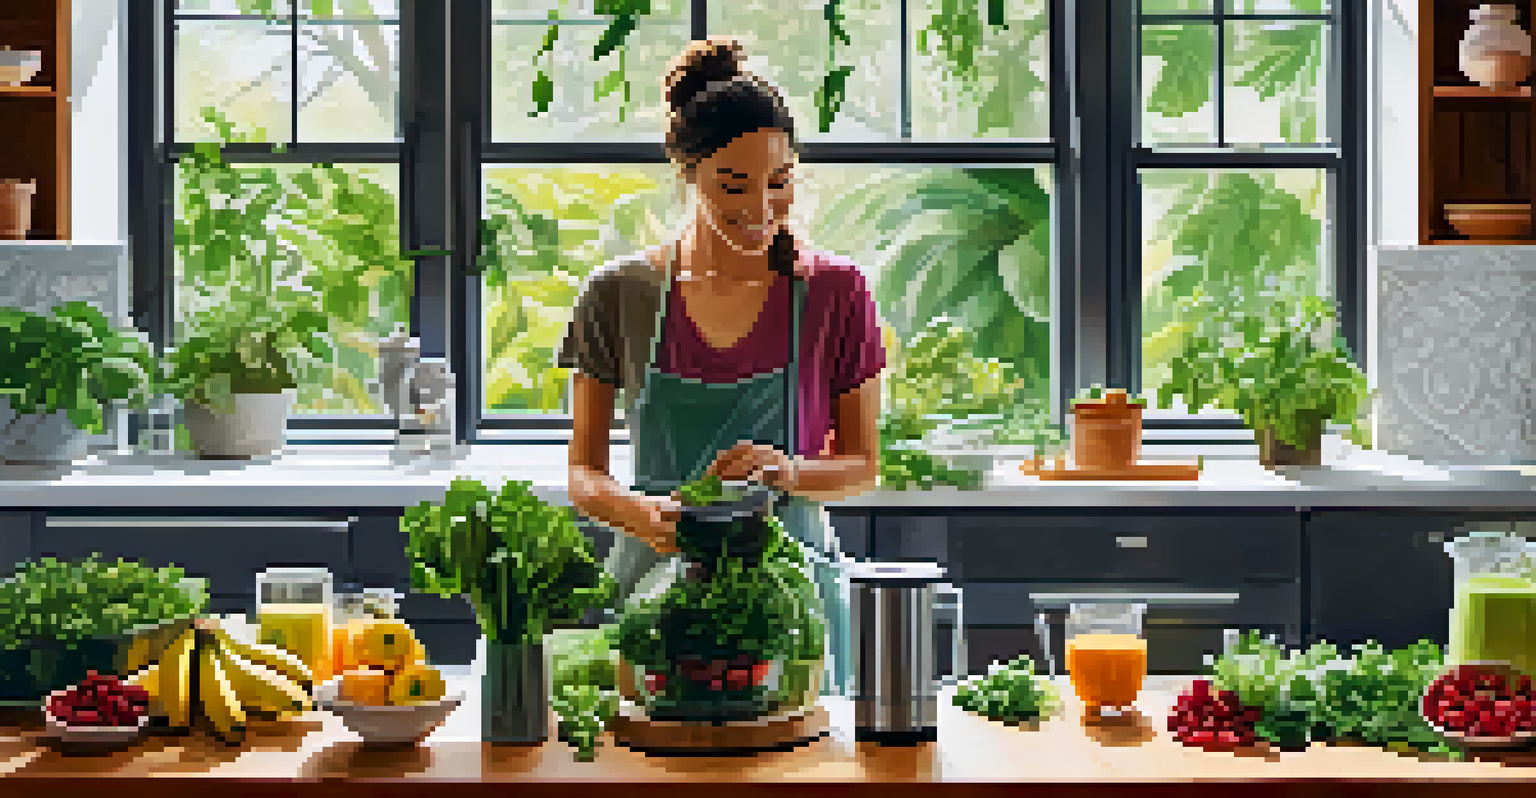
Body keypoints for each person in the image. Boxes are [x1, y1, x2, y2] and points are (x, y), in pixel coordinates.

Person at [559, 36, 886, 697]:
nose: (760, 209)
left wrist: (789, 472)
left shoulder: (835, 294)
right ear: (686, 171)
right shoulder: (617, 295)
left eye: (781, 182)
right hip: (651, 591)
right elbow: (583, 473)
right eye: (732, 185)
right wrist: (643, 516)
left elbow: (863, 463)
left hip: (792, 603)